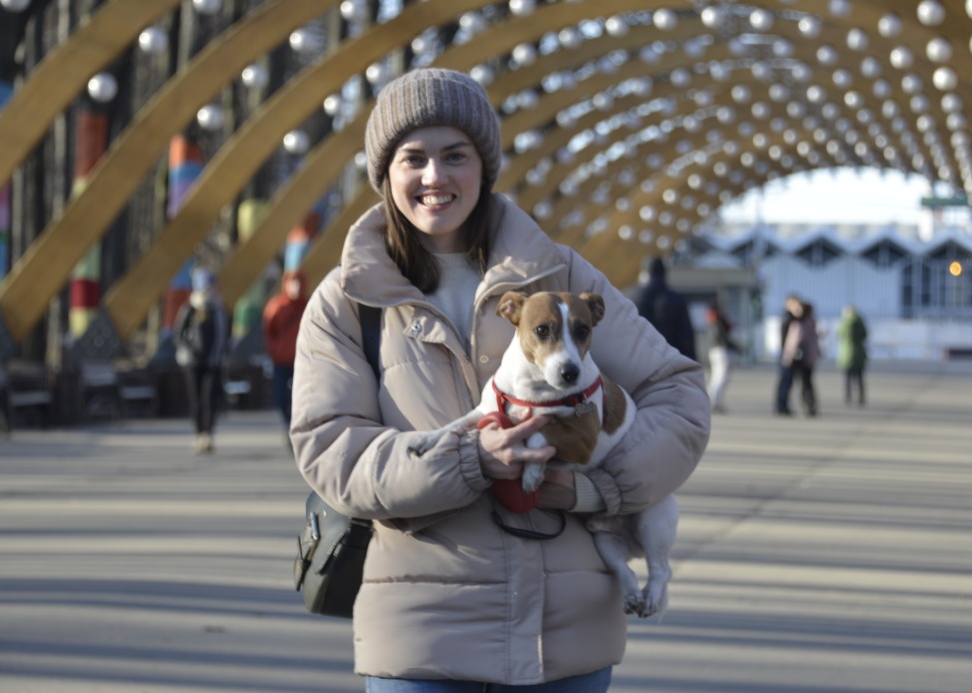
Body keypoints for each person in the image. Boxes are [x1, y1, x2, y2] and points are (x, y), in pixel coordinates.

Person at [290, 68, 710, 691]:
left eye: (455, 155)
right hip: (422, 640)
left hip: (564, 640)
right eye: (413, 159)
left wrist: (595, 491)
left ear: (483, 166)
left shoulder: (558, 276)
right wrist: (467, 459)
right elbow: (329, 448)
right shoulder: (349, 300)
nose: (435, 177)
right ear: (385, 176)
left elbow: (680, 397)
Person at [173, 268, 230, 454]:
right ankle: (198, 433)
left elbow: (223, 335)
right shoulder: (189, 309)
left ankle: (208, 434)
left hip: (212, 362)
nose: (210, 289)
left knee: (209, 398)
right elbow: (178, 335)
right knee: (196, 399)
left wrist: (218, 355)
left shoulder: (218, 309)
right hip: (192, 362)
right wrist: (189, 351)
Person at [262, 270, 309, 440]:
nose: (295, 287)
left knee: (303, 398)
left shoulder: (309, 305)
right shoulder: (277, 306)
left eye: (298, 282)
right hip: (281, 361)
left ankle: (299, 430)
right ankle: (291, 426)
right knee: (280, 398)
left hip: (303, 362)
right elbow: (269, 332)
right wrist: (275, 351)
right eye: (292, 282)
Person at [628, 255, 697, 361]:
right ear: (664, 274)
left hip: (636, 363)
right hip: (669, 363)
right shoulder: (676, 299)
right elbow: (686, 339)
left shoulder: (629, 297)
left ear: (643, 273)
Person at [705, 297, 740, 414]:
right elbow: (721, 337)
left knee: (717, 377)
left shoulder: (713, 318)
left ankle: (715, 402)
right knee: (720, 378)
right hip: (720, 351)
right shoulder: (717, 320)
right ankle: (714, 402)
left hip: (715, 350)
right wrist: (735, 346)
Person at [774, 293, 803, 416]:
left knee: (787, 381)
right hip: (787, 353)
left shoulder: (789, 317)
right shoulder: (788, 317)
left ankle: (783, 405)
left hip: (788, 353)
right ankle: (781, 406)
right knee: (785, 380)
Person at [835, 304, 868, 406]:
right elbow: (865, 335)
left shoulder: (844, 323)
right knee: (859, 377)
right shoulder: (860, 322)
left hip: (846, 354)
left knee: (847, 378)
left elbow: (839, 334)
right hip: (859, 353)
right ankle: (861, 397)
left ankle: (848, 396)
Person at [793, 302, 821, 417]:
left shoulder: (802, 323)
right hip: (810, 357)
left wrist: (789, 355)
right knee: (808, 382)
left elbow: (797, 340)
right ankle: (811, 404)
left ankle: (807, 405)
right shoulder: (812, 322)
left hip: (802, 358)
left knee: (805, 383)